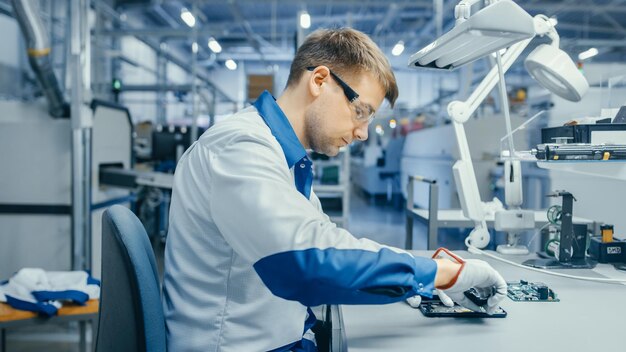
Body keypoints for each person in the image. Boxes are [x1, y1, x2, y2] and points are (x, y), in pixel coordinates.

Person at [162, 28, 507, 352]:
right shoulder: (240, 147)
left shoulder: (284, 157)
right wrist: (444, 274)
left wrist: (411, 275)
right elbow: (306, 262)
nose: (363, 133)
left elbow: (328, 241)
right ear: (320, 80)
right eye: (360, 111)